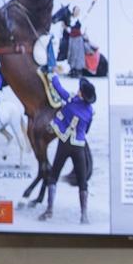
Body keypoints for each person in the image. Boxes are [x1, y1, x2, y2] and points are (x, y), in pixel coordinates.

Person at [37, 64, 96, 224]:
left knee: (54, 175)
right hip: (79, 146)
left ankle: (49, 211)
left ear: (82, 95)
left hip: (64, 143)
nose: (78, 91)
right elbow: (87, 129)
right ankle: (84, 215)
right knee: (83, 181)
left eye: (80, 90)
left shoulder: (70, 101)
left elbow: (58, 88)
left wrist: (52, 74)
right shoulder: (90, 111)